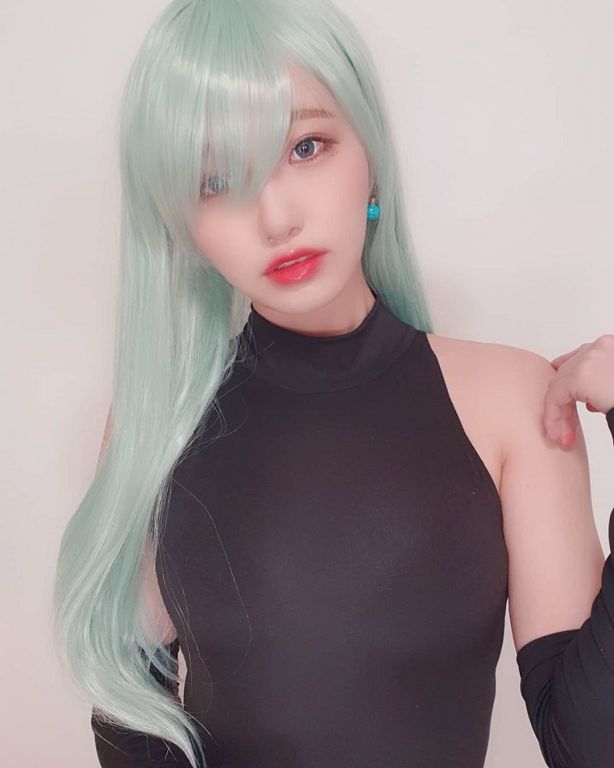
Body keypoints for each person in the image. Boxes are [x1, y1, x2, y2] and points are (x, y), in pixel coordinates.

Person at [51, 0, 614, 766]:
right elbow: (132, 721)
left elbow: (591, 746)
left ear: (369, 150)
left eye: (306, 147)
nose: (276, 215)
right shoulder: (160, 423)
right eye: (217, 180)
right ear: (182, 225)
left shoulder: (512, 402)